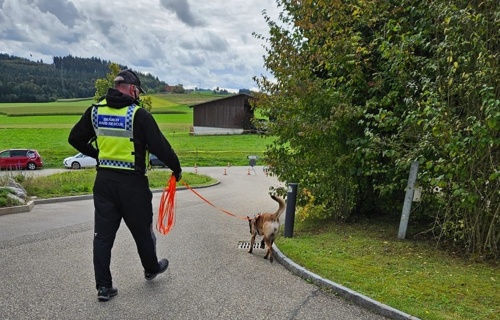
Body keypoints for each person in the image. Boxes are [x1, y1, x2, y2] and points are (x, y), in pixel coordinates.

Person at [68, 69, 182, 302]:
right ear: (132, 89)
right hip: (133, 185)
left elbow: (75, 138)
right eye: (138, 91)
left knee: (102, 237)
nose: (138, 95)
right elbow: (161, 147)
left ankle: (103, 287)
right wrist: (176, 169)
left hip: (104, 183)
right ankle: (151, 268)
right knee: (143, 232)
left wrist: (97, 154)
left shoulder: (95, 111)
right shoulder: (139, 115)